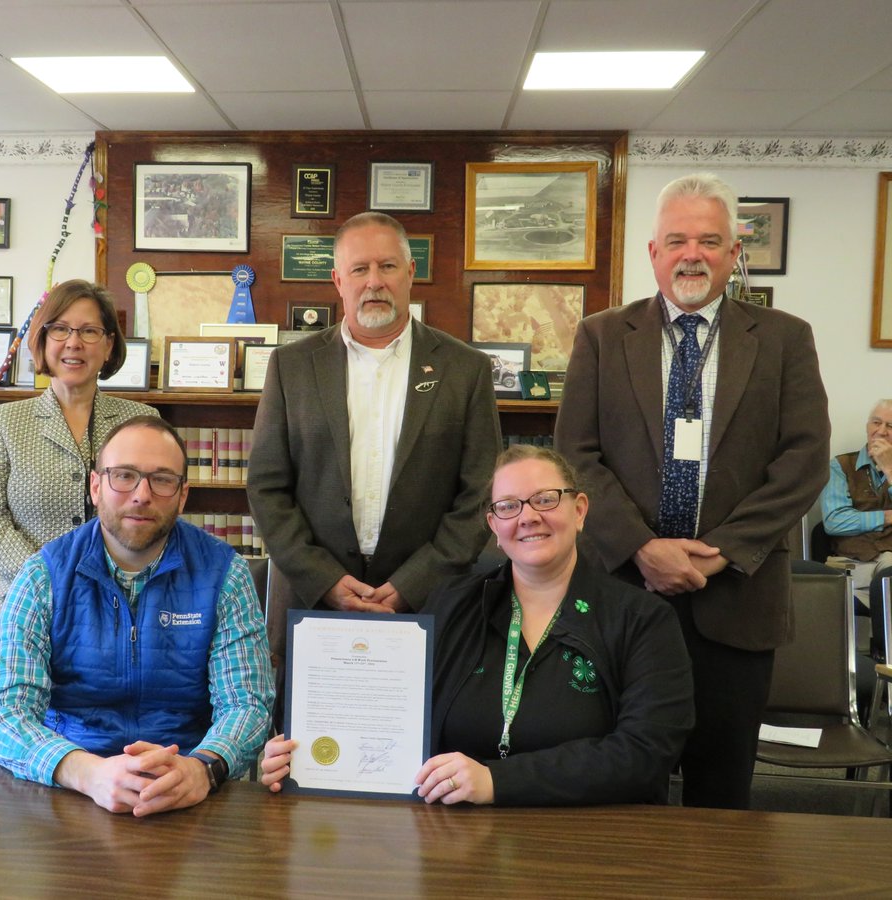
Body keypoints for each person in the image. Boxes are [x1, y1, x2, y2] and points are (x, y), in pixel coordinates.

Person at [554, 172, 830, 810]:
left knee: (721, 791)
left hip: (736, 598)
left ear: (735, 252)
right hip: (622, 594)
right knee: (618, 782)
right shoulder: (601, 336)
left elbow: (805, 459)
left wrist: (723, 549)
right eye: (676, 239)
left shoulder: (786, 339)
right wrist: (644, 548)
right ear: (653, 252)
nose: (692, 254)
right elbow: (577, 455)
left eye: (710, 240)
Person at [260, 445, 694, 806]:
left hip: (596, 835)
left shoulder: (643, 619)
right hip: (458, 833)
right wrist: (305, 753)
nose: (528, 517)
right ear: (493, 525)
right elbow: (391, 719)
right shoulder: (453, 604)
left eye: (545, 499)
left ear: (579, 510)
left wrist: (497, 781)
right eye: (508, 507)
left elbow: (645, 753)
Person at [0, 416, 274, 817]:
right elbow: (3, 714)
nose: (141, 494)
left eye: (162, 480)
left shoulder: (225, 574)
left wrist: (203, 767)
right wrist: (88, 773)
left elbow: (247, 703)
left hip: (189, 783)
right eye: (124, 476)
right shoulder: (43, 575)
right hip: (71, 786)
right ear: (95, 486)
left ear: (183, 495)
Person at [247, 211, 500, 618]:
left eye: (387, 266)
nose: (374, 281)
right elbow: (266, 486)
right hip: (312, 600)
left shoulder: (465, 369)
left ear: (411, 272)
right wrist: (323, 579)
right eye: (359, 269)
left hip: (429, 601)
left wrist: (413, 584)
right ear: (338, 281)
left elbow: (481, 492)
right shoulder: (290, 366)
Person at [0, 279, 157, 585]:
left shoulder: (142, 420)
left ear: (109, 345)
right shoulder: (2, 422)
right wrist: (49, 579)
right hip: (32, 596)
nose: (74, 343)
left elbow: (153, 510)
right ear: (43, 340)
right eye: (60, 329)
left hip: (123, 595)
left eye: (89, 331)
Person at [820, 399, 892, 659]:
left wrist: (889, 467)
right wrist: (886, 516)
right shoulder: (840, 466)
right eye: (876, 422)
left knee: (889, 571)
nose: (882, 431)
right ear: (867, 427)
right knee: (886, 581)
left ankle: (884, 659)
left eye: (891, 425)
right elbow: (834, 522)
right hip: (852, 565)